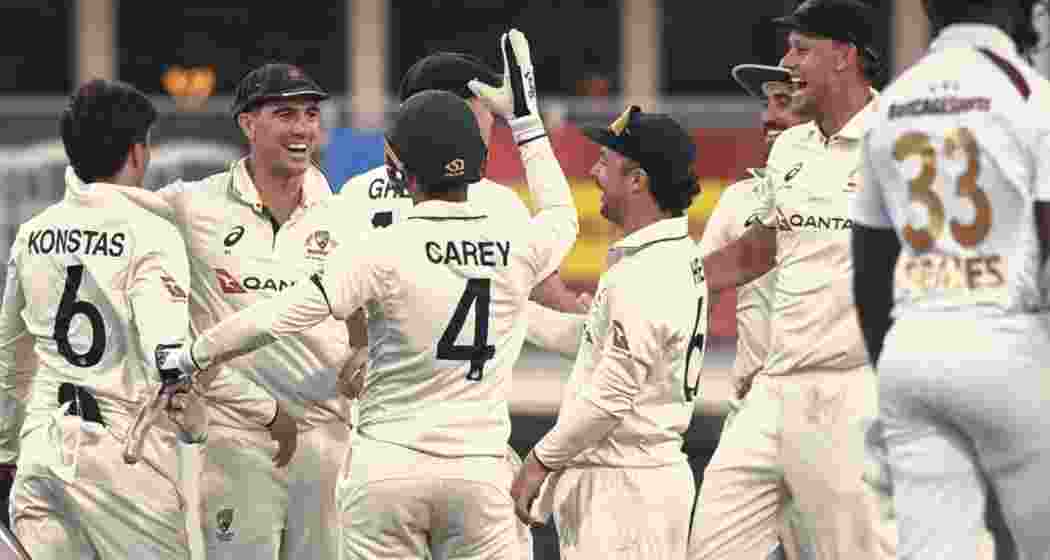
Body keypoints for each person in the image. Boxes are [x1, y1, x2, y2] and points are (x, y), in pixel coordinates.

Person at [169, 29, 578, 559]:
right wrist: (527, 127)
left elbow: (288, 312)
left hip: (384, 460)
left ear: (399, 159)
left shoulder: (370, 225)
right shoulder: (508, 225)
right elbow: (560, 224)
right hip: (476, 462)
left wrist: (196, 352)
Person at [113, 63, 352, 560]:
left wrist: (367, 346)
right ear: (247, 123)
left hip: (327, 439)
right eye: (284, 113)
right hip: (236, 438)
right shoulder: (191, 205)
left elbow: (371, 301)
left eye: (310, 114)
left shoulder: (344, 215)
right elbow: (110, 215)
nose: (303, 128)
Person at [686, 0, 897, 558]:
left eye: (802, 49)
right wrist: (663, 280)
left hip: (850, 391)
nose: (788, 60)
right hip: (771, 389)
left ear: (845, 57)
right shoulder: (791, 151)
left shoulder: (896, 141)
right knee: (710, 548)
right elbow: (761, 248)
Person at [851, 1, 1050, 558]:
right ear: (1019, 14)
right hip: (1007, 341)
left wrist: (890, 367)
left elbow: (868, 266)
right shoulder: (1031, 96)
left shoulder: (891, 104)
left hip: (911, 350)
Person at [0, 78, 205, 559]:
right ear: (137, 153)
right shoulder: (151, 232)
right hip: (125, 460)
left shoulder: (34, 234)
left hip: (44, 453)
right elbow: (166, 355)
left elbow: (10, 359)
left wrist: (5, 450)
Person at [337, 50, 590, 315]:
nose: (493, 119)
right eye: (487, 108)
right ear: (457, 112)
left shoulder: (354, 193)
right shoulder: (493, 203)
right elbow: (549, 297)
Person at [698, 61, 815, 560]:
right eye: (765, 104)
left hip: (833, 405)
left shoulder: (860, 181)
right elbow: (697, 288)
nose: (767, 117)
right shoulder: (739, 199)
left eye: (782, 103)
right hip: (754, 406)